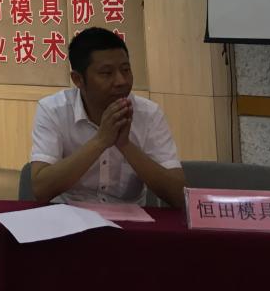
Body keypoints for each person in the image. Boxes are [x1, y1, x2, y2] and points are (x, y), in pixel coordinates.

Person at [29, 26, 185, 207]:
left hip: (128, 220)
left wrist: (125, 145)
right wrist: (100, 141)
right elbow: (41, 189)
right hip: (69, 216)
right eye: (106, 73)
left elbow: (178, 196)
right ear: (78, 79)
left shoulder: (149, 114)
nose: (121, 81)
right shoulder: (53, 110)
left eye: (125, 70)